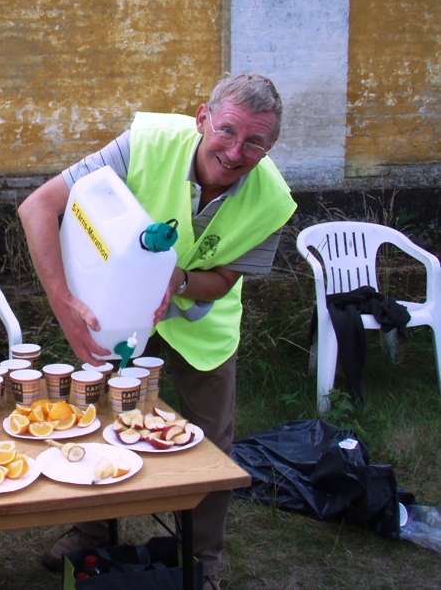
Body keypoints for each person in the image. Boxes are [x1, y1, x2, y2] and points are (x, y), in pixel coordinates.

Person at [18, 74, 296, 590]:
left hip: (201, 327)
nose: (236, 152)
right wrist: (65, 304)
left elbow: (226, 279)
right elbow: (38, 207)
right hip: (114, 311)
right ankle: (92, 530)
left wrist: (180, 279)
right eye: (227, 131)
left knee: (211, 447)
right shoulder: (144, 143)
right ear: (202, 118)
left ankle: (203, 557)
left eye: (254, 141)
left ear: (271, 145)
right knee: (95, 417)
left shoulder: (274, 201)